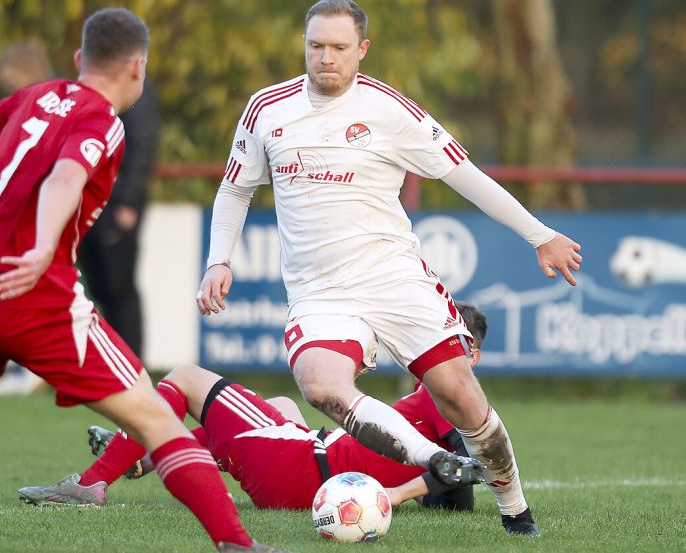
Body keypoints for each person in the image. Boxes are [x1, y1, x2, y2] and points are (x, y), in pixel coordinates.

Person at [0, 8, 287, 553]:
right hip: (35, 297)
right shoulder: (103, 120)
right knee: (159, 421)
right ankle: (238, 545)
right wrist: (44, 246)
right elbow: (66, 177)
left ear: (77, 60)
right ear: (137, 67)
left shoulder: (35, 96)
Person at [196, 0, 582, 536]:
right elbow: (236, 187)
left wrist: (540, 236)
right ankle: (435, 459)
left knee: (461, 397)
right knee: (319, 384)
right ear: (304, 44)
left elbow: (464, 176)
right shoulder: (267, 109)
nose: (324, 58)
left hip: (395, 278)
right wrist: (219, 260)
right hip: (320, 291)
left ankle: (515, 509)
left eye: (337, 48)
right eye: (315, 46)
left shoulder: (388, 109)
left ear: (362, 50)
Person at [15, 302, 490, 514]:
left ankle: (94, 482)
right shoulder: (441, 411)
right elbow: (455, 476)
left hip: (297, 466)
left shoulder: (440, 396)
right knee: (281, 404)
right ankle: (144, 455)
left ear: (469, 355)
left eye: (450, 342)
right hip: (311, 478)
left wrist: (399, 496)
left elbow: (457, 467)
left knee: (183, 377)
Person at [78, 82, 161, 356]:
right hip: (97, 201)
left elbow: (143, 143)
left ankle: (133, 367)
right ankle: (117, 364)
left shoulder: (136, 89)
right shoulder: (110, 84)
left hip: (116, 205)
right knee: (103, 290)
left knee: (120, 289)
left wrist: (128, 201)